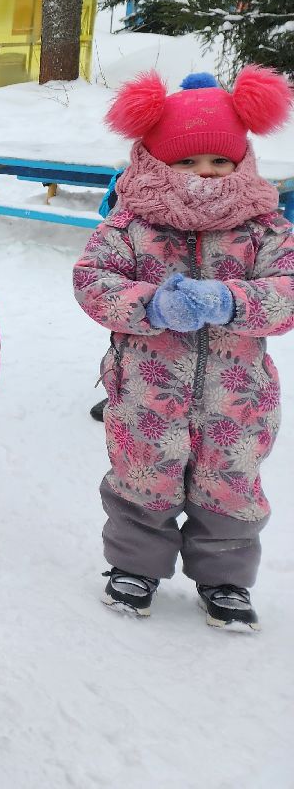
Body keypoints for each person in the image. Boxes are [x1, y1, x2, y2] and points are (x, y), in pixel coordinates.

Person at [74, 68, 294, 631]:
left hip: (238, 399)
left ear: (241, 162)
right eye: (187, 161)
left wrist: (230, 300)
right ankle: (134, 567)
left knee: (230, 482)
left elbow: (288, 289)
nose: (205, 174)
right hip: (147, 392)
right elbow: (92, 280)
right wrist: (150, 305)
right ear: (154, 161)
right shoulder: (131, 225)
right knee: (142, 477)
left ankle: (224, 578)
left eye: (219, 162)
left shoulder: (264, 228)